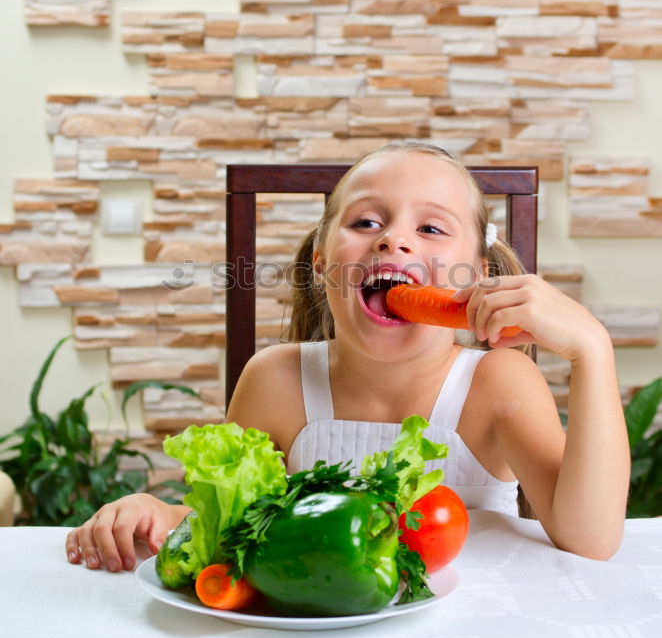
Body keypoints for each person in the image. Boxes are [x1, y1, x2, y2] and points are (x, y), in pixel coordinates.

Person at [66, 140, 630, 572]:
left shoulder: (498, 383)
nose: (393, 240)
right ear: (320, 261)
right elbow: (226, 524)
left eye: (431, 227)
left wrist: (592, 351)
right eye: (366, 222)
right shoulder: (277, 380)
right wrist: (159, 515)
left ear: (476, 275)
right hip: (311, 631)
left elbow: (591, 538)